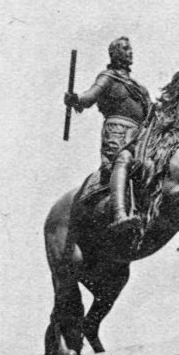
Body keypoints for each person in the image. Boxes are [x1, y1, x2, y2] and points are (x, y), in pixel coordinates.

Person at [64, 37, 151, 236]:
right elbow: (90, 96)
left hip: (139, 135)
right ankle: (120, 215)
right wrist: (75, 99)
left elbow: (151, 112)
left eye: (130, 49)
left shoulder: (139, 88)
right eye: (125, 49)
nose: (130, 52)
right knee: (123, 159)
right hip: (117, 132)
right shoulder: (108, 77)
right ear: (115, 54)